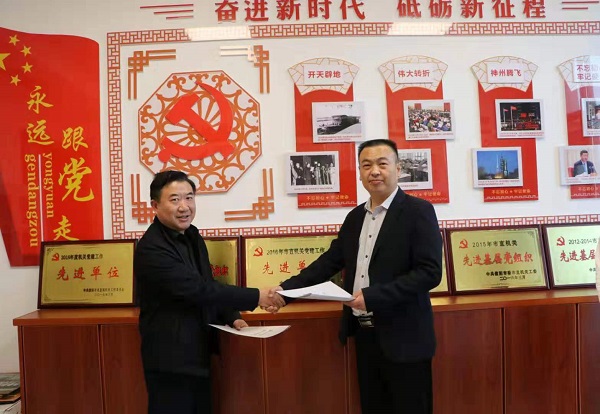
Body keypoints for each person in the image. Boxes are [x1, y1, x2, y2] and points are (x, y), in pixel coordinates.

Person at [270, 139, 442, 414]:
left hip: (405, 337)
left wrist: (373, 297)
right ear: (360, 173)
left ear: (398, 169)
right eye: (366, 165)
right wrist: (285, 291)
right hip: (365, 335)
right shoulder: (354, 218)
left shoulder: (418, 211)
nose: (374, 171)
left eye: (382, 164)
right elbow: (329, 262)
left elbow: (429, 272)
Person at [134, 170, 284, 414]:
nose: (184, 207)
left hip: (199, 352)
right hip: (169, 359)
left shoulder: (192, 234)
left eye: (189, 197)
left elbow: (207, 281)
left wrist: (232, 316)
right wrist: (258, 296)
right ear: (155, 205)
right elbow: (198, 290)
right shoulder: (152, 249)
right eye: (174, 199)